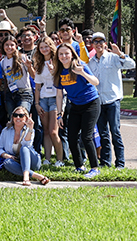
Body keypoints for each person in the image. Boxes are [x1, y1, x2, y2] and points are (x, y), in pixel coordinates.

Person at [54, 43, 101, 177]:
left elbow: (95, 82)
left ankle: (95, 168)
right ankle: (79, 166)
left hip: (91, 103)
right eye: (61, 54)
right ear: (57, 56)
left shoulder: (80, 66)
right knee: (71, 137)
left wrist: (82, 73)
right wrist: (59, 114)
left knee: (86, 136)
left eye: (66, 53)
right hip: (75, 105)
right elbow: (59, 94)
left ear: (72, 54)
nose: (64, 56)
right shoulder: (59, 71)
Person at [87, 32, 133, 169]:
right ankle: (105, 162)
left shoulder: (113, 58)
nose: (99, 44)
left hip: (112, 101)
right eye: (96, 42)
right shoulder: (91, 62)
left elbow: (131, 64)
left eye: (101, 41)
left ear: (105, 43)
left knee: (115, 132)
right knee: (103, 134)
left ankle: (120, 163)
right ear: (93, 45)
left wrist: (121, 54)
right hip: (98, 102)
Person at [32, 35, 64, 166]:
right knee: (46, 130)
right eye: (41, 47)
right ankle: (47, 159)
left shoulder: (58, 61)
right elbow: (38, 86)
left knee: (53, 131)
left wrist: (54, 71)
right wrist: (37, 103)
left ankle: (60, 160)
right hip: (44, 99)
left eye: (46, 46)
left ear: (51, 47)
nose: (44, 49)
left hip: (56, 98)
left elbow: (61, 82)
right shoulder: (39, 64)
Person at [0, 108, 49, 186]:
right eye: (15, 115)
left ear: (26, 118)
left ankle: (26, 178)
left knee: (24, 148)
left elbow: (27, 145)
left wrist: (30, 128)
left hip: (32, 161)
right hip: (17, 161)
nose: (18, 118)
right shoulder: (6, 131)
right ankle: (37, 176)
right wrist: (6, 155)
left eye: (21, 116)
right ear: (12, 117)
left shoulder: (30, 130)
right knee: (6, 162)